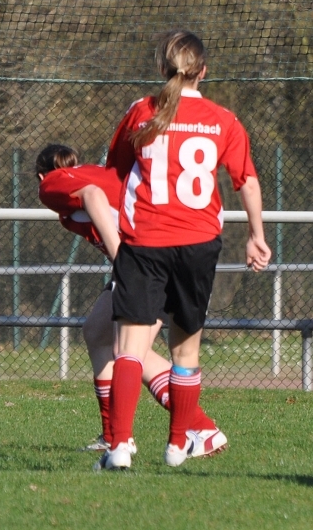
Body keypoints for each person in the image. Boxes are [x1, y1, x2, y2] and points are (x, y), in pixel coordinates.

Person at [98, 30, 271, 469]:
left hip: (146, 242)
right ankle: (178, 446)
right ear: (204, 70)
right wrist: (257, 235)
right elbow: (246, 180)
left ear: (162, 68)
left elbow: (114, 172)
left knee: (130, 350)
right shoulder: (222, 119)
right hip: (198, 244)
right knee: (185, 351)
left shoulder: (142, 111)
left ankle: (119, 447)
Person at [36, 144, 226, 458]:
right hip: (168, 252)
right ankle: (114, 436)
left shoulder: (52, 183)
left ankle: (201, 427)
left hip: (153, 258)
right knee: (98, 331)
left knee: (130, 349)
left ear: (42, 174)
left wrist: (122, 260)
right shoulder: (91, 171)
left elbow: (93, 195)